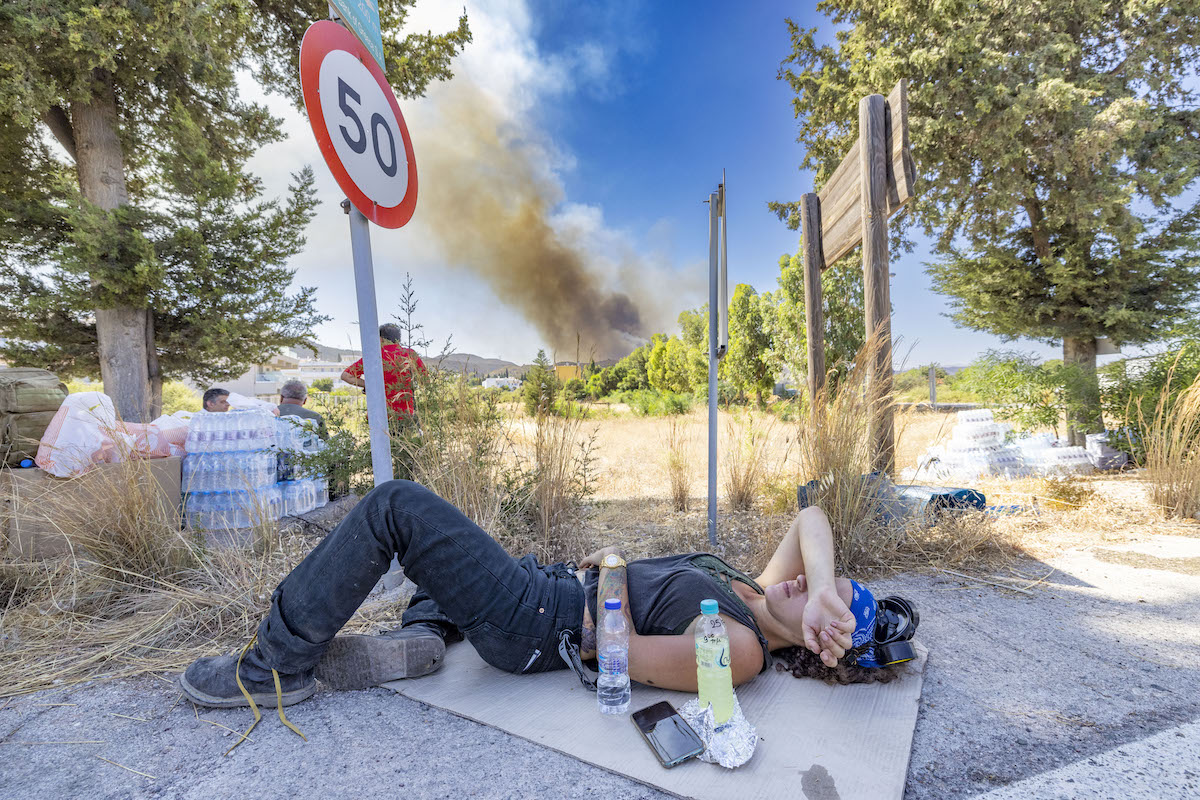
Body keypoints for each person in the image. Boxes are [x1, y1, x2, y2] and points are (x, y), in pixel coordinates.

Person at [180, 481, 910, 726]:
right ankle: (428, 634)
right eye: (825, 583)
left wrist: (613, 576)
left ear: (822, 640)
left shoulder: (743, 648)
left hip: (537, 623)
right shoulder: (755, 587)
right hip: (549, 584)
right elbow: (812, 519)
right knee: (455, 550)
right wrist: (821, 587)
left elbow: (610, 654)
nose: (810, 587)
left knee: (398, 508)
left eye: (832, 604)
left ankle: (272, 667)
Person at [339, 324, 426, 423]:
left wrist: (369, 385)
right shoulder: (409, 354)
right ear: (398, 339)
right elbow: (424, 380)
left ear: (380, 339)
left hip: (377, 415)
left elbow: (346, 376)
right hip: (406, 414)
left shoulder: (373, 356)